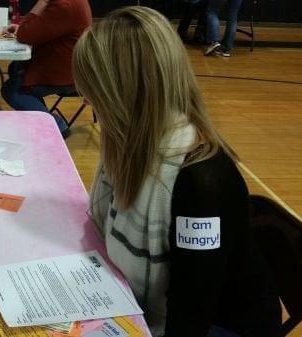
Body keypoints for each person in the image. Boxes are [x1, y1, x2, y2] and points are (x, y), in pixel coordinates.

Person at [73, 7, 282, 337]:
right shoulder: (129, 143)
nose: (86, 100)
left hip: (221, 324)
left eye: (93, 91)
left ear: (123, 95)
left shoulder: (202, 182)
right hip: (186, 309)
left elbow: (191, 313)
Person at [0, 0, 92, 138]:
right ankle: (38, 116)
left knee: (11, 90)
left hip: (65, 74)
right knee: (15, 67)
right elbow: (40, 29)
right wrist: (24, 29)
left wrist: (42, 2)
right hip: (72, 66)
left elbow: (25, 35)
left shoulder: (63, 5)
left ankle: (57, 125)